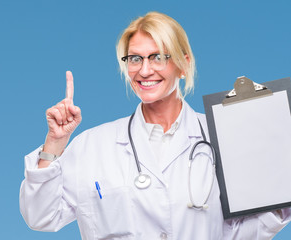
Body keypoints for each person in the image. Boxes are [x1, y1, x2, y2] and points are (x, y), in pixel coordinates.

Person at [20, 12, 290, 239]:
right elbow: (40, 216)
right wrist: (54, 142)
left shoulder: (224, 135)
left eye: (158, 57)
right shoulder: (92, 145)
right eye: (135, 59)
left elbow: (239, 232)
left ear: (183, 64)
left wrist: (282, 197)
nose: (145, 70)